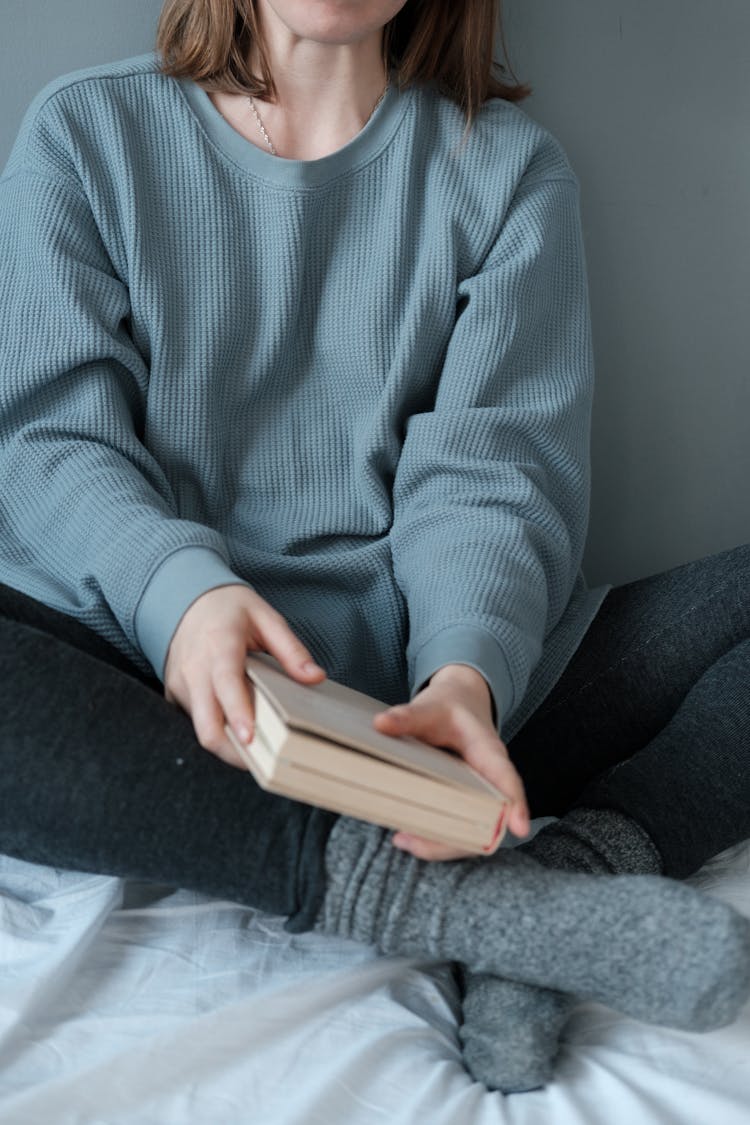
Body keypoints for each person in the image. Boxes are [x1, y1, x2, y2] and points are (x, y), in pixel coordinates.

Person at [1, 0, 749, 1096]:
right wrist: (185, 596)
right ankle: (481, 910)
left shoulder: (506, 171)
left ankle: (580, 867)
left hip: (431, 697)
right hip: (161, 687)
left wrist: (467, 678)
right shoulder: (87, 133)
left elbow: (494, 476)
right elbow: (53, 438)